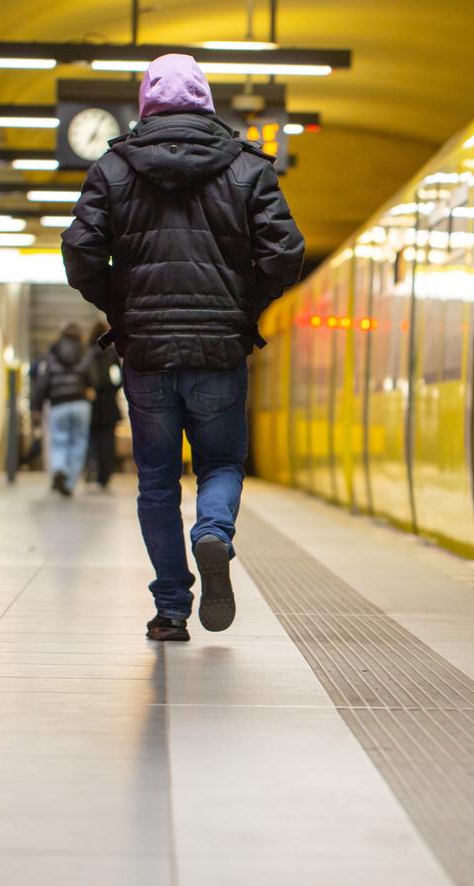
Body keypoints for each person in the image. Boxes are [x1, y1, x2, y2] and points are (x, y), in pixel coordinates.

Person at [61, 53, 304, 642]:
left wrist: (122, 309)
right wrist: (243, 308)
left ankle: (171, 609)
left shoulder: (112, 168)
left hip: (145, 351)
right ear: (206, 102)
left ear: (146, 103)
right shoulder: (248, 167)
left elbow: (80, 253)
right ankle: (213, 532)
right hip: (219, 349)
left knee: (156, 482)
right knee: (220, 463)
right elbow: (285, 253)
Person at [30, 322, 94, 497]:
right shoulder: (85, 352)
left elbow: (43, 382)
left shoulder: (52, 352)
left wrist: (36, 405)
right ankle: (70, 482)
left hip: (58, 404)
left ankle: (59, 468)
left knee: (59, 440)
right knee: (78, 442)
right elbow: (92, 379)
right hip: (80, 403)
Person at [86, 320, 122, 490]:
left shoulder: (87, 353)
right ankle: (105, 475)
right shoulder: (111, 354)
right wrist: (113, 389)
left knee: (92, 439)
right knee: (108, 440)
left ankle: (91, 471)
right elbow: (119, 378)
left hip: (91, 401)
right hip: (109, 402)